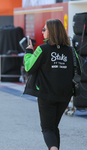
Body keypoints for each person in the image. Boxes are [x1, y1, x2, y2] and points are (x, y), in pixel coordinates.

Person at [23, 19, 81, 150]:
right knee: (53, 126)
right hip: (65, 95)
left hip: (46, 94)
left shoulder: (42, 49)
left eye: (44, 29)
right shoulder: (72, 51)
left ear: (51, 32)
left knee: (47, 128)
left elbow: (28, 68)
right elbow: (79, 71)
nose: (42, 31)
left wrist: (28, 52)